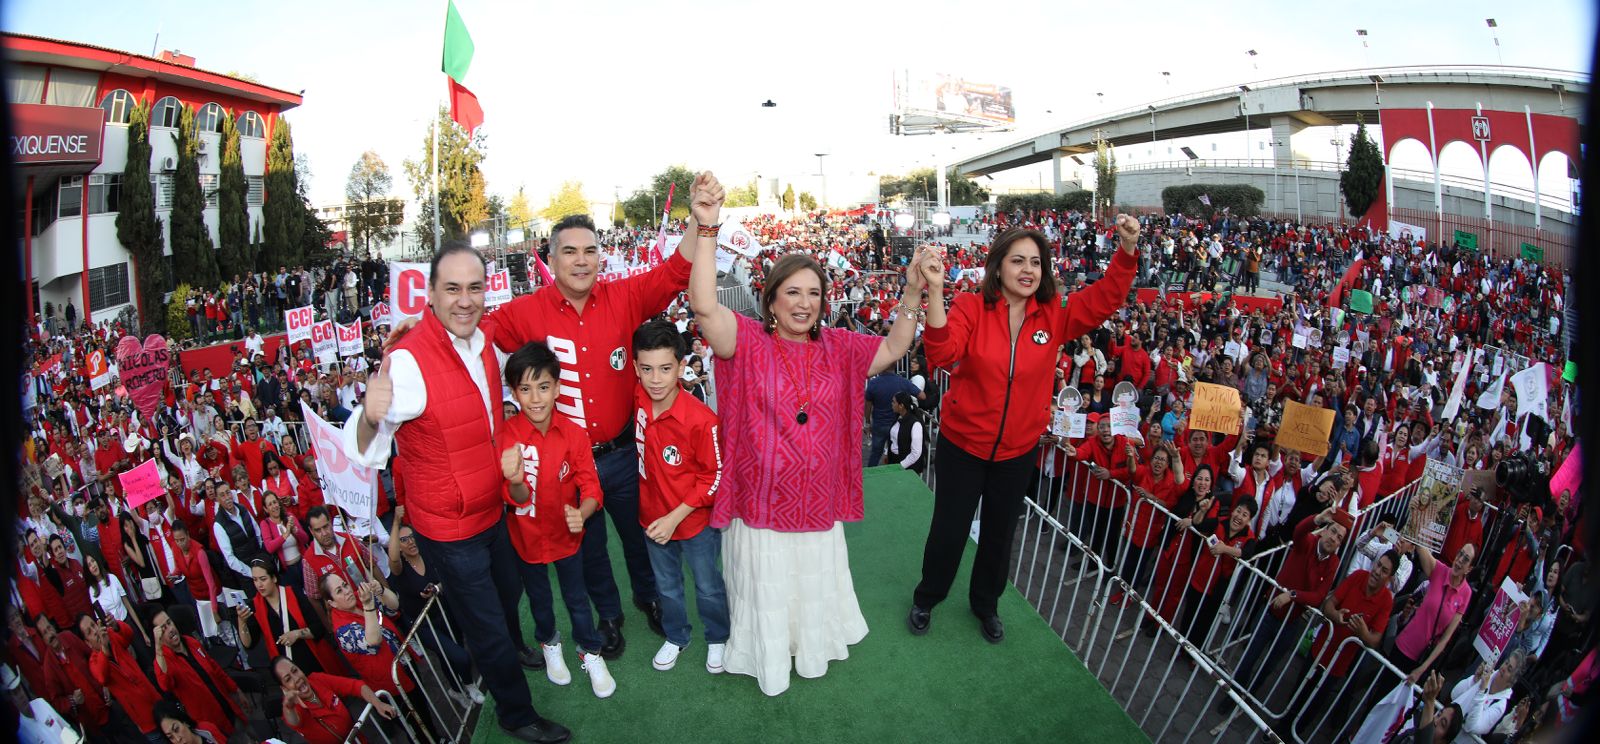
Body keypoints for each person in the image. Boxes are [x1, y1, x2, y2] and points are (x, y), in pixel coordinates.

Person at [687, 174, 920, 695]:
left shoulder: (839, 347)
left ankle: (809, 648)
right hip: (761, 506)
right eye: (792, 291)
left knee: (808, 583)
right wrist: (707, 229)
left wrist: (910, 290)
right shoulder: (744, 342)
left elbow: (894, 345)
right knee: (767, 586)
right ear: (770, 300)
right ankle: (766, 656)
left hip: (816, 504)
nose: (804, 302)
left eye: (814, 293)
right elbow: (704, 306)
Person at [343, 241, 569, 743]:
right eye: (452, 289)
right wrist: (368, 414)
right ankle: (516, 713)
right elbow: (365, 450)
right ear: (430, 294)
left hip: (491, 509)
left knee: (508, 598)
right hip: (448, 527)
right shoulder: (406, 363)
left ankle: (511, 651)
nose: (464, 300)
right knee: (486, 621)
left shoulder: (483, 340)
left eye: (473, 288)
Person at [484, 195, 721, 647]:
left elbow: (675, 270)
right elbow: (478, 330)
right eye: (569, 251)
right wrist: (420, 332)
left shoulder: (625, 296)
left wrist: (699, 217)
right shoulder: (526, 312)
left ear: (600, 256)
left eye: (590, 250)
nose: (581, 260)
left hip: (625, 453)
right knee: (588, 548)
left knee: (641, 538)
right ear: (550, 259)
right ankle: (609, 616)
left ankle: (650, 598)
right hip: (571, 465)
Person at [910, 216, 1140, 643]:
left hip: (1017, 453)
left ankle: (986, 604)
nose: (1028, 270)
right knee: (949, 530)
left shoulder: (1053, 315)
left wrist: (1126, 252)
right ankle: (928, 596)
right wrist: (938, 292)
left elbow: (1104, 299)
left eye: (1036, 262)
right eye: (1018, 260)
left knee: (1000, 536)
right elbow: (941, 354)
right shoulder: (969, 306)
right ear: (998, 267)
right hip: (964, 447)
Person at [497, 342, 617, 698]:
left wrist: (582, 513)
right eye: (525, 388)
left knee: (577, 598)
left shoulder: (574, 432)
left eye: (544, 386)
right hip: (526, 538)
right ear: (514, 392)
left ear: (558, 388)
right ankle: (549, 643)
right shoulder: (507, 435)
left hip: (567, 538)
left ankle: (590, 651)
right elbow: (514, 498)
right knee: (539, 600)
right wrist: (517, 482)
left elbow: (591, 484)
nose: (535, 398)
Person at [631, 319, 730, 673]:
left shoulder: (702, 420)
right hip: (652, 518)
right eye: (646, 369)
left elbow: (715, 476)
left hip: (694, 524)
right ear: (636, 368)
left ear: (681, 365)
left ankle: (718, 637)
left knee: (707, 585)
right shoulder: (638, 398)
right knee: (667, 587)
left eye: (665, 368)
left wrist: (675, 517)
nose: (655, 378)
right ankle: (676, 635)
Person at [150, 605, 249, 739]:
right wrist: (158, 648)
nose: (171, 629)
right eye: (163, 628)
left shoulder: (191, 642)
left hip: (229, 708)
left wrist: (235, 689)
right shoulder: (164, 662)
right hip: (212, 725)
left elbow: (214, 668)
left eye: (169, 623)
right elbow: (164, 684)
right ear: (158, 637)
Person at [235, 559, 343, 675]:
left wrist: (297, 634)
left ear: (274, 578)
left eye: (263, 579)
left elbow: (318, 628)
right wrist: (242, 621)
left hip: (313, 659)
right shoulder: (256, 606)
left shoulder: (294, 593)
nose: (259, 585)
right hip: (288, 671)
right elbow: (249, 644)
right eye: (255, 580)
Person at [1392, 541, 1475, 684]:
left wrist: (1422, 669)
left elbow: (1445, 639)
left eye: (1466, 559)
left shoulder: (1466, 593)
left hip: (1422, 659)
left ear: (1469, 569)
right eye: (1460, 554)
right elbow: (1419, 543)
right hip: (1403, 645)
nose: (1460, 560)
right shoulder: (1439, 570)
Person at [274, 655, 398, 744]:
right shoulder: (293, 707)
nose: (296, 679)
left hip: (357, 738)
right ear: (284, 688)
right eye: (288, 679)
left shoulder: (317, 679)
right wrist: (288, 706)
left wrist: (378, 703)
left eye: (295, 671)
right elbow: (293, 720)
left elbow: (356, 686)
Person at [865, 370, 919, 466]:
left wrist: (868, 423)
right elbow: (922, 395)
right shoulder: (903, 382)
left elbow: (867, 405)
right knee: (896, 452)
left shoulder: (873, 383)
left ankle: (870, 476)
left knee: (876, 454)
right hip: (897, 426)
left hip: (879, 424)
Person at [886, 392, 928, 474]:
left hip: (907, 466)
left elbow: (916, 453)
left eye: (894, 402)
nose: (891, 404)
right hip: (894, 461)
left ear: (901, 406)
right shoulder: (898, 417)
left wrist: (900, 466)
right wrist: (887, 453)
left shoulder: (915, 424)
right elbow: (893, 438)